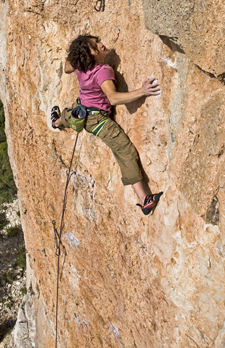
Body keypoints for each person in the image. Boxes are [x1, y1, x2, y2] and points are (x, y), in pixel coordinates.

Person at [51, 34, 163, 215]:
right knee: (124, 150)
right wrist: (142, 91)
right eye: (96, 46)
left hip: (81, 108)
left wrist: (76, 45)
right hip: (98, 120)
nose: (102, 45)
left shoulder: (78, 64)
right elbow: (113, 98)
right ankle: (144, 200)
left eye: (98, 41)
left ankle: (56, 122)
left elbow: (66, 67)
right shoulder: (102, 71)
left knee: (69, 114)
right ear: (91, 55)